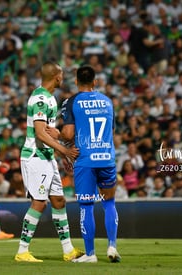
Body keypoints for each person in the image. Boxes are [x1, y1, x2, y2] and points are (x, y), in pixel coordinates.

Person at [14, 61, 82, 263]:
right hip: (35, 156)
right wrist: (66, 151)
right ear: (56, 76)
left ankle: (68, 250)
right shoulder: (41, 99)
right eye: (61, 75)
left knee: (59, 201)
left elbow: (49, 133)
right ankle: (22, 251)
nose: (63, 78)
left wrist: (59, 148)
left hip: (47, 157)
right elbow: (40, 134)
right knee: (39, 203)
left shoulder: (50, 98)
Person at [61, 65, 121, 263]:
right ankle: (112, 246)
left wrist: (56, 135)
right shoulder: (107, 101)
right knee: (109, 203)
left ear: (76, 81)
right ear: (95, 82)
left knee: (86, 206)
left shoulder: (72, 102)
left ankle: (90, 254)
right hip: (106, 158)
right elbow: (111, 134)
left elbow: (68, 134)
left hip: (85, 160)